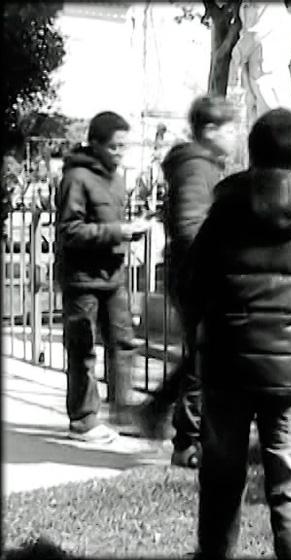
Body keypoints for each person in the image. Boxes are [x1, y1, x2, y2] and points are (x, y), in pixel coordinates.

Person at [181, 108, 291, 558]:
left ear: (251, 155)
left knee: (221, 477)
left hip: (227, 365)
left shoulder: (222, 213)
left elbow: (193, 283)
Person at [134, 96, 238, 468]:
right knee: (203, 359)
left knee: (201, 356)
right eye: (229, 129)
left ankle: (160, 414)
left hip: (194, 273)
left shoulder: (201, 165)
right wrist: (218, 262)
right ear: (209, 130)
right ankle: (186, 441)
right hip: (198, 276)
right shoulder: (196, 168)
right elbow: (190, 225)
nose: (235, 136)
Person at [55, 111, 151, 443]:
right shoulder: (76, 178)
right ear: (95, 144)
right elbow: (69, 230)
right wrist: (117, 231)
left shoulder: (116, 179)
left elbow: (110, 224)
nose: (120, 153)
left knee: (123, 344)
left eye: (124, 146)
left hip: (112, 274)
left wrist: (130, 231)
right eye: (114, 147)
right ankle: (83, 419)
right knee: (83, 348)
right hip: (82, 278)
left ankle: (123, 412)